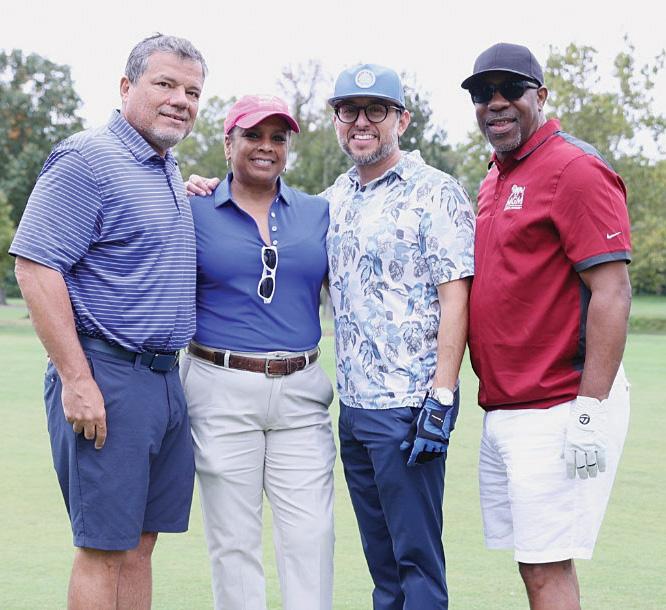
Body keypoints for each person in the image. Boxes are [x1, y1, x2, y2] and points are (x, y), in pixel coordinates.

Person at [10, 34, 206, 610]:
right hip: (107, 375)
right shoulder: (86, 159)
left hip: (164, 381)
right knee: (103, 549)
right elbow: (35, 266)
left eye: (192, 92)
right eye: (165, 84)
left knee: (141, 545)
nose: (180, 100)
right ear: (126, 86)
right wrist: (77, 380)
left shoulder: (165, 167)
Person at [461, 43, 632, 610]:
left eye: (511, 89)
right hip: (507, 403)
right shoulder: (495, 176)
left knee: (545, 567)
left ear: (541, 95)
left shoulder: (573, 167)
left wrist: (589, 409)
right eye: (483, 93)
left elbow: (612, 291)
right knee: (534, 563)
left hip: (559, 404)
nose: (496, 103)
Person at [324, 64, 475, 609]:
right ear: (336, 120)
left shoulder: (437, 192)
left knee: (417, 564)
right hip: (354, 408)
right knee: (383, 567)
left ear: (402, 120)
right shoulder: (334, 197)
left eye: (377, 110)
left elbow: (456, 297)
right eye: (349, 110)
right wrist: (207, 188)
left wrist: (443, 396)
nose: (361, 122)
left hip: (410, 408)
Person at [181, 95, 336, 610]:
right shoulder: (191, 207)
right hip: (219, 389)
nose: (266, 146)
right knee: (234, 543)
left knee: (312, 536)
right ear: (228, 144)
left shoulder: (317, 212)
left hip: (301, 395)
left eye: (278, 137)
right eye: (252, 135)